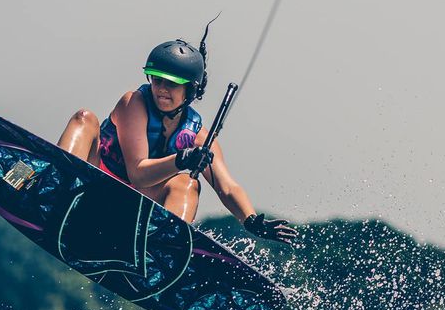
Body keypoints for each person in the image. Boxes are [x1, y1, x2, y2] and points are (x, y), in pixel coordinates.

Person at [55, 32, 297, 246]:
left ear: (190, 90)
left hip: (132, 208)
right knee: (84, 119)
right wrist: (180, 160)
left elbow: (227, 186)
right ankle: (54, 185)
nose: (161, 88)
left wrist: (250, 220)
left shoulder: (198, 136)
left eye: (172, 83)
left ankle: (167, 245)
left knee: (188, 184)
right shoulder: (134, 103)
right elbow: (137, 174)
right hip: (93, 187)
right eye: (157, 79)